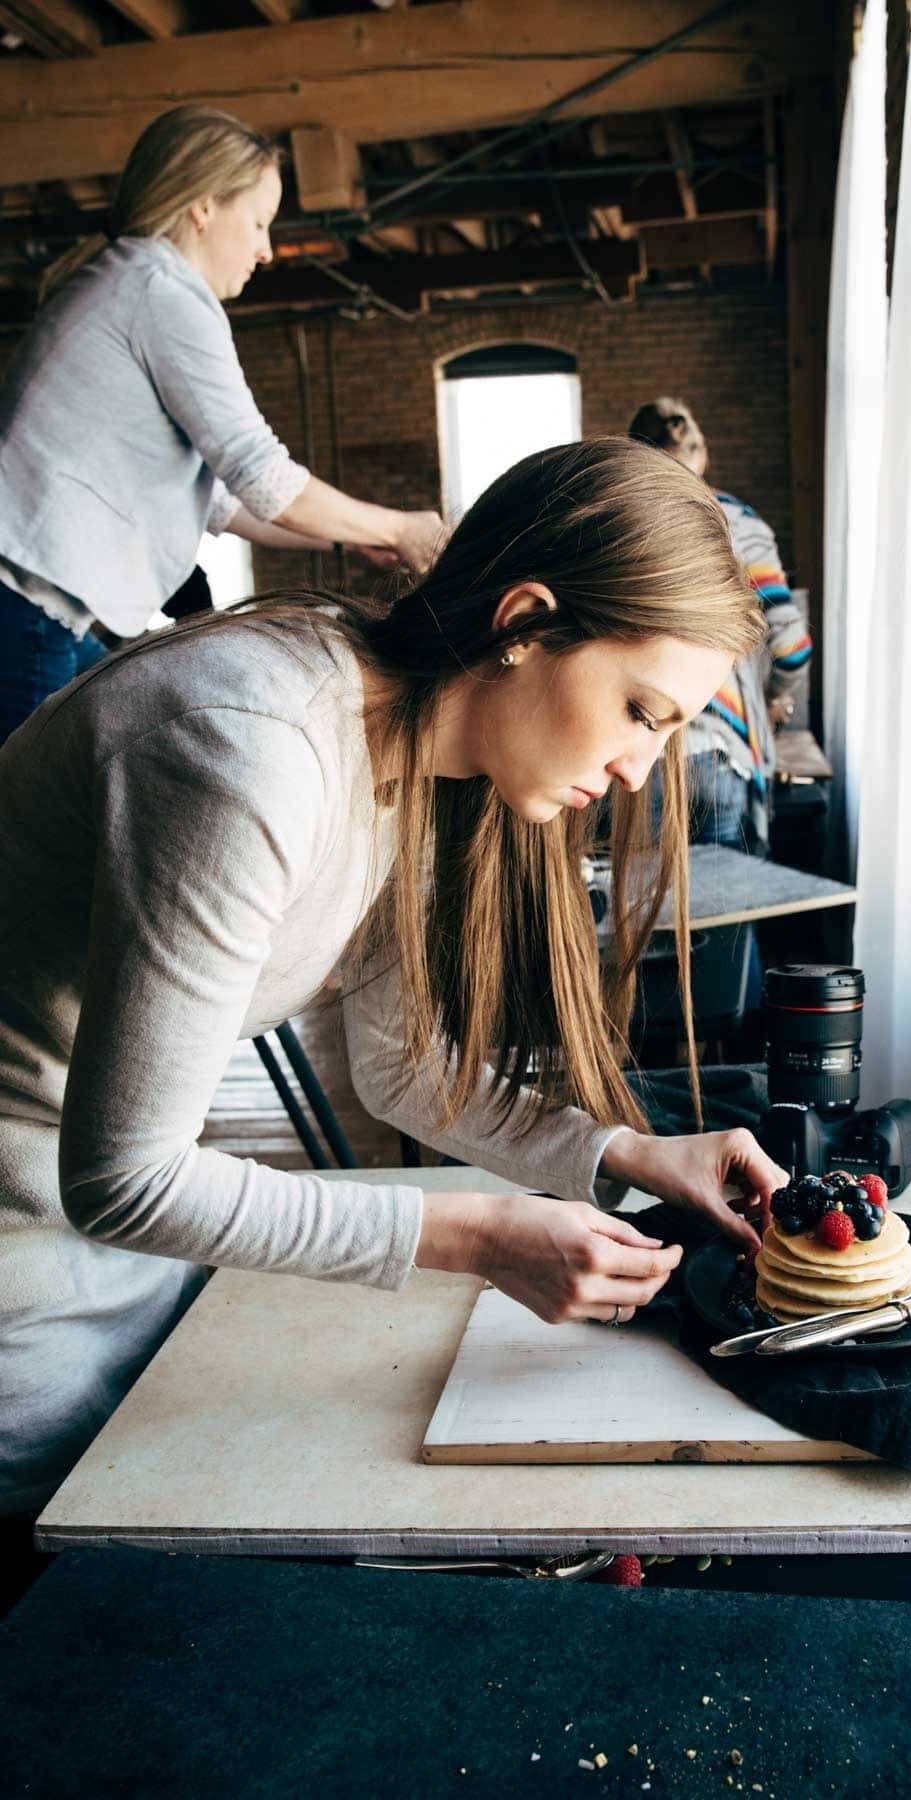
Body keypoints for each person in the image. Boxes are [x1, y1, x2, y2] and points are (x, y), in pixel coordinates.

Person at [0, 436, 788, 1520]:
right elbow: (126, 1175)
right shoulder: (251, 750)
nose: (638, 772)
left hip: (114, 1241)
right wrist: (471, 1237)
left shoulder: (415, 749)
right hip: (18, 1266)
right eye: (641, 712)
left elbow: (399, 1073)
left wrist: (626, 1154)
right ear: (523, 624)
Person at [0, 104, 443, 742]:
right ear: (204, 206)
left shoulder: (131, 281)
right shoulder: (164, 292)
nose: (266, 250)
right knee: (35, 825)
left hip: (41, 610)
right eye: (259, 221)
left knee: (108, 760)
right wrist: (401, 528)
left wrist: (352, 536)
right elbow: (263, 476)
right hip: (23, 608)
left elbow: (226, 504)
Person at [627, 397, 812, 856]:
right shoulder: (736, 523)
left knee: (641, 919)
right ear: (701, 453)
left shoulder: (617, 519)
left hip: (630, 754)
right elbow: (791, 645)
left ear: (635, 454)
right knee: (730, 916)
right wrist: (774, 699)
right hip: (716, 752)